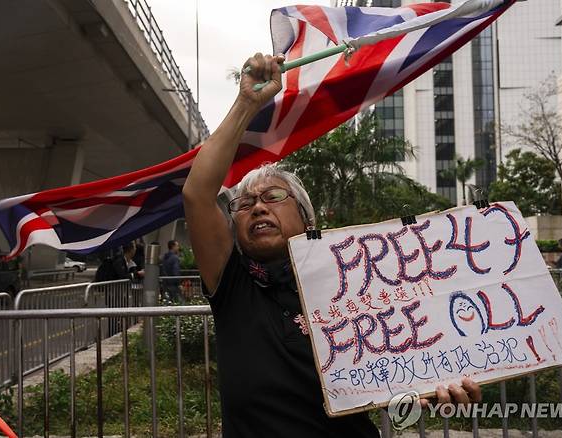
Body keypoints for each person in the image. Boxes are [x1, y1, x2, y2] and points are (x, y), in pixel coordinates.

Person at [182, 53, 481, 437]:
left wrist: (439, 385)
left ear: (309, 221)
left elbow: (403, 374)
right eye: (245, 204)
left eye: (273, 196)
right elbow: (197, 195)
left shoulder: (357, 286)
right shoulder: (233, 286)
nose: (257, 206)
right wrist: (247, 103)